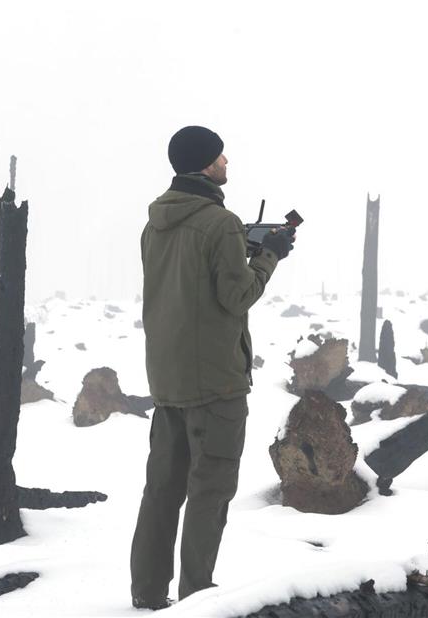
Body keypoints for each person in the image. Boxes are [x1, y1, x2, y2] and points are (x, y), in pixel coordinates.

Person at [130, 126, 295, 609]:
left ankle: (146, 595)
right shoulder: (219, 223)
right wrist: (269, 256)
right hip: (216, 381)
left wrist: (240, 247)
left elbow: (188, 282)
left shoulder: (155, 224)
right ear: (205, 164)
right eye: (222, 157)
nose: (228, 164)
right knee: (211, 490)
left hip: (167, 377)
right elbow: (236, 295)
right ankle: (198, 599)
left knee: (161, 490)